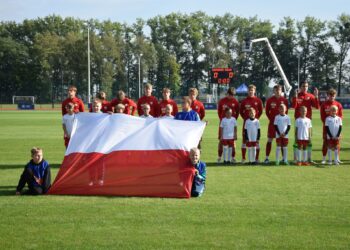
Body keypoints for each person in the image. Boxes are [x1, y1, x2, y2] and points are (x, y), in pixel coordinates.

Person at [292, 81, 319, 163]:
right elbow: (293, 106)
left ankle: (309, 158)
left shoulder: (310, 96)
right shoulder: (297, 95)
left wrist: (316, 96)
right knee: (297, 141)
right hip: (298, 121)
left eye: (306, 86)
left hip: (308, 122)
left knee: (309, 140)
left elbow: (317, 107)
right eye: (303, 86)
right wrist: (294, 97)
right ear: (300, 87)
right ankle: (296, 158)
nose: (305, 87)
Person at [264, 84, 289, 164]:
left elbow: (286, 112)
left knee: (281, 141)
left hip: (282, 125)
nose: (278, 91)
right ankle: (267, 158)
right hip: (272, 124)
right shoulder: (270, 100)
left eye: (279, 90)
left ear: (281, 91)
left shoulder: (284, 100)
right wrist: (272, 119)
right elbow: (267, 111)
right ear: (274, 91)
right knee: (269, 140)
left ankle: (282, 158)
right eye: (276, 90)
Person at [239, 84, 263, 163]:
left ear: (254, 91)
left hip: (255, 124)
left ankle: (256, 158)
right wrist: (246, 119)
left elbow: (261, 111)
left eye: (252, 90)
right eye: (249, 90)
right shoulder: (244, 101)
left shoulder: (258, 100)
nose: (250, 92)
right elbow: (241, 112)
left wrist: (255, 119)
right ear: (247, 91)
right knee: (245, 140)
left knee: (256, 141)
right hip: (247, 123)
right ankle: (243, 158)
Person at [320, 88, 343, 164]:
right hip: (326, 127)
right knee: (325, 142)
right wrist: (328, 124)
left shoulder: (338, 104)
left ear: (335, 96)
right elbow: (322, 117)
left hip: (336, 128)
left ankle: (337, 158)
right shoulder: (324, 104)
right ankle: (324, 158)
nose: (332, 97)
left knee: (337, 143)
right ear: (327, 95)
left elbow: (340, 116)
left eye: (333, 95)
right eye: (330, 95)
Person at [217, 87, 240, 163]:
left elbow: (237, 112)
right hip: (223, 124)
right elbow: (219, 112)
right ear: (227, 93)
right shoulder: (222, 101)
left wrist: (232, 121)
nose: (231, 96)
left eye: (232, 95)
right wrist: (222, 119)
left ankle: (232, 157)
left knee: (232, 142)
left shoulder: (235, 102)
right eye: (230, 94)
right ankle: (219, 157)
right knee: (221, 141)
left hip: (231, 125)